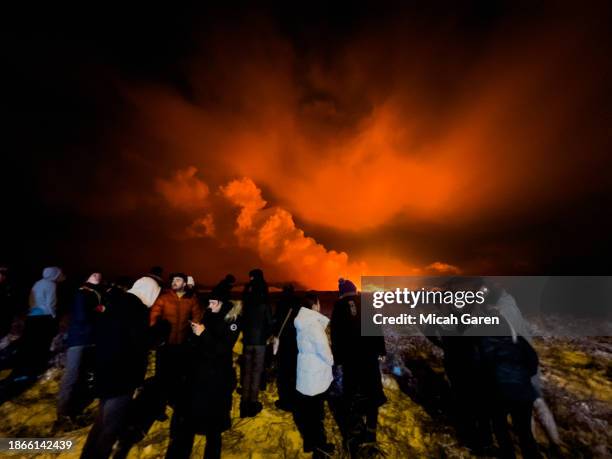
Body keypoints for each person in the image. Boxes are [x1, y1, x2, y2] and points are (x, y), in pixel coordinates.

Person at [80, 276, 159, 459]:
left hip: (104, 369)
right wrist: (158, 332)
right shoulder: (137, 310)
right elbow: (140, 342)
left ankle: (87, 454)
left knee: (101, 420)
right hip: (122, 375)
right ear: (149, 294)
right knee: (111, 427)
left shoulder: (114, 303)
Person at [165, 292, 241, 459]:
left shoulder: (232, 320)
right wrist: (193, 334)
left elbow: (223, 348)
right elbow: (201, 344)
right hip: (199, 375)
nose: (210, 306)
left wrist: (204, 333)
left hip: (217, 378)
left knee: (214, 427)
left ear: (223, 302)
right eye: (209, 302)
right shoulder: (208, 315)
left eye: (214, 303)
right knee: (190, 419)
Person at [330, 278, 386, 456]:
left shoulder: (338, 307)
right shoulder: (367, 304)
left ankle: (353, 432)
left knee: (351, 393)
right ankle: (370, 432)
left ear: (341, 292)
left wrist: (338, 358)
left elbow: (336, 335)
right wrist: (381, 350)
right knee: (372, 392)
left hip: (350, 359)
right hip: (368, 357)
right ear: (355, 290)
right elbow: (377, 328)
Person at [478, 309, 541, 459]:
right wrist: (522, 378)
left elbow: (480, 369)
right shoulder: (518, 340)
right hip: (523, 392)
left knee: (500, 429)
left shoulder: (484, 343)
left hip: (499, 393)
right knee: (525, 433)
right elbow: (533, 362)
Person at [149, 273, 202, 411]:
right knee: (161, 376)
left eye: (177, 280)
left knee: (177, 375)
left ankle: (173, 400)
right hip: (165, 345)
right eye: (173, 280)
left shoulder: (191, 299)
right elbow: (153, 316)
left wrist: (193, 333)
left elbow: (197, 316)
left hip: (182, 345)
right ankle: (158, 406)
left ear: (184, 283)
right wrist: (156, 336)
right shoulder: (164, 298)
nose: (174, 282)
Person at [57, 272, 103, 423]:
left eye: (99, 275)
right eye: (93, 274)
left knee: (83, 374)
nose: (97, 276)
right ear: (86, 278)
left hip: (91, 339)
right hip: (79, 340)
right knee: (72, 373)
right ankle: (63, 412)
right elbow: (83, 316)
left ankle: (74, 408)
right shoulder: (82, 293)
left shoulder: (96, 293)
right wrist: (99, 312)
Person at [293, 292, 335, 457]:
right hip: (316, 374)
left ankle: (309, 443)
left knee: (308, 412)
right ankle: (320, 447)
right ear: (314, 304)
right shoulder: (313, 324)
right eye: (318, 302)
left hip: (306, 371)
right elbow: (323, 349)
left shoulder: (302, 321)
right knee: (316, 414)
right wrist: (332, 360)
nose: (320, 305)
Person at [13, 266, 64, 379]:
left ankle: (21, 370)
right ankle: (34, 371)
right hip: (43, 317)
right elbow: (51, 303)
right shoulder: (51, 284)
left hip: (32, 316)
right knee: (40, 345)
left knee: (29, 344)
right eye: (59, 274)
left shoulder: (38, 282)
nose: (61, 276)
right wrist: (53, 316)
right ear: (54, 274)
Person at [240, 268, 272, 417]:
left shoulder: (247, 296)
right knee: (256, 371)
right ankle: (252, 403)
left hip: (247, 339)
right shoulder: (264, 298)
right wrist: (268, 334)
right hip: (260, 341)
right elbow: (269, 320)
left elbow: (242, 318)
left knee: (247, 371)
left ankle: (244, 402)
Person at [273, 284, 300, 412]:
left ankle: (284, 400)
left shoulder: (281, 303)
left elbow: (277, 321)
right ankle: (295, 399)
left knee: (283, 372)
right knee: (294, 371)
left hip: (283, 341)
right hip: (296, 341)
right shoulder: (298, 303)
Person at [0, 266, 16, 341]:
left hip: (6, 314)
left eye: (4, 274)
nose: (3, 276)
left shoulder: (8, 285)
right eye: (1, 274)